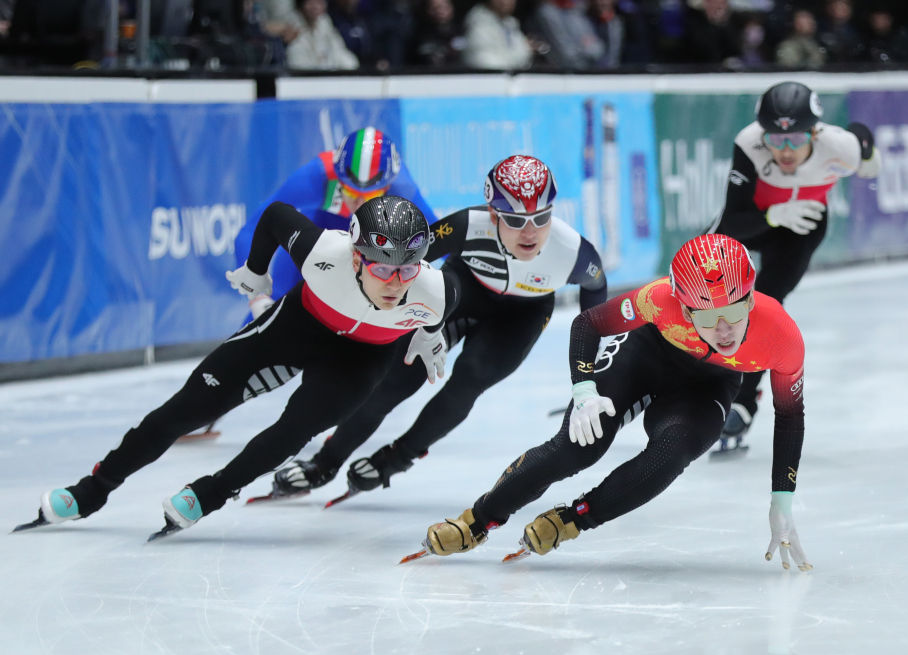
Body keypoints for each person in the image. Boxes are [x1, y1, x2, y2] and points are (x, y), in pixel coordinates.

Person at [19, 196, 461, 538]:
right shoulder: (323, 251)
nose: (396, 283)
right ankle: (92, 490)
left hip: (362, 358)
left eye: (407, 271)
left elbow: (445, 304)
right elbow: (275, 214)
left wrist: (428, 333)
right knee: (187, 409)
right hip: (297, 326)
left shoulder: (435, 289)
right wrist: (256, 272)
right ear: (356, 257)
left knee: (291, 433)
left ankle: (209, 494)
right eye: (384, 270)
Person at [415, 234, 812, 572]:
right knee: (576, 448)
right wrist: (584, 389)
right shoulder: (659, 299)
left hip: (706, 386)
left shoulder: (781, 335)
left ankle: (573, 520)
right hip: (645, 356)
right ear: (684, 306)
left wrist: (782, 499)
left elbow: (790, 416)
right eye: (706, 317)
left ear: (750, 298)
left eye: (732, 312)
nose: (723, 330)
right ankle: (477, 520)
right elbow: (588, 324)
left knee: (672, 453)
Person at [262, 154, 608, 503]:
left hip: (523, 315)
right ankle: (325, 462)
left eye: (542, 217)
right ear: (493, 214)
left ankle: (397, 458)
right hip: (461, 293)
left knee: (470, 378)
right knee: (397, 379)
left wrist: (590, 373)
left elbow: (595, 295)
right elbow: (401, 258)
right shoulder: (468, 225)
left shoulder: (574, 253)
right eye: (516, 220)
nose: (531, 231)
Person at [706, 80, 880, 452]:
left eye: (796, 141)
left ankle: (743, 400)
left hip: (801, 228)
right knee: (692, 274)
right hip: (757, 218)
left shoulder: (839, 146)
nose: (785, 151)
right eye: (775, 140)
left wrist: (868, 156)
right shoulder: (748, 142)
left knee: (763, 304)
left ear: (815, 133)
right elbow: (731, 222)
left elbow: (864, 144)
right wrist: (772, 215)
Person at [234, 126, 435, 321]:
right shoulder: (317, 177)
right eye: (351, 192)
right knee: (278, 300)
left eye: (371, 195)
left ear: (388, 187)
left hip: (370, 247)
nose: (360, 203)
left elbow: (437, 235)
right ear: (338, 180)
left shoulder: (402, 188)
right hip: (322, 232)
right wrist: (257, 295)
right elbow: (250, 230)